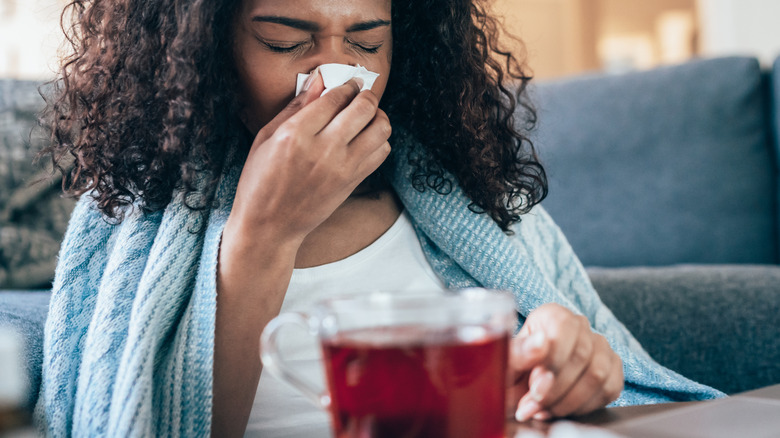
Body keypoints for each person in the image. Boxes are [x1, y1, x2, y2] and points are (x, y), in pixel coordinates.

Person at [35, 0, 724, 436]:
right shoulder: (136, 222)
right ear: (204, 52)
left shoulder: (464, 194)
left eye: (366, 41)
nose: (335, 76)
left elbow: (611, 389)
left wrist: (582, 373)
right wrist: (264, 233)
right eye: (285, 40)